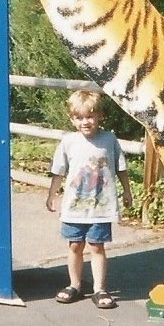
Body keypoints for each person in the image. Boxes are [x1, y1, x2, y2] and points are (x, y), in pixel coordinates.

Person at [46, 89, 134, 309]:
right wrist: (51, 194)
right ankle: (74, 284)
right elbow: (59, 171)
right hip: (74, 205)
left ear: (100, 116)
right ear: (72, 118)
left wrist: (127, 190)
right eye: (79, 117)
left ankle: (99, 289)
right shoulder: (68, 141)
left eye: (90, 117)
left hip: (100, 206)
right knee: (75, 245)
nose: (85, 122)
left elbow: (121, 168)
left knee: (97, 246)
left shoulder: (108, 139)